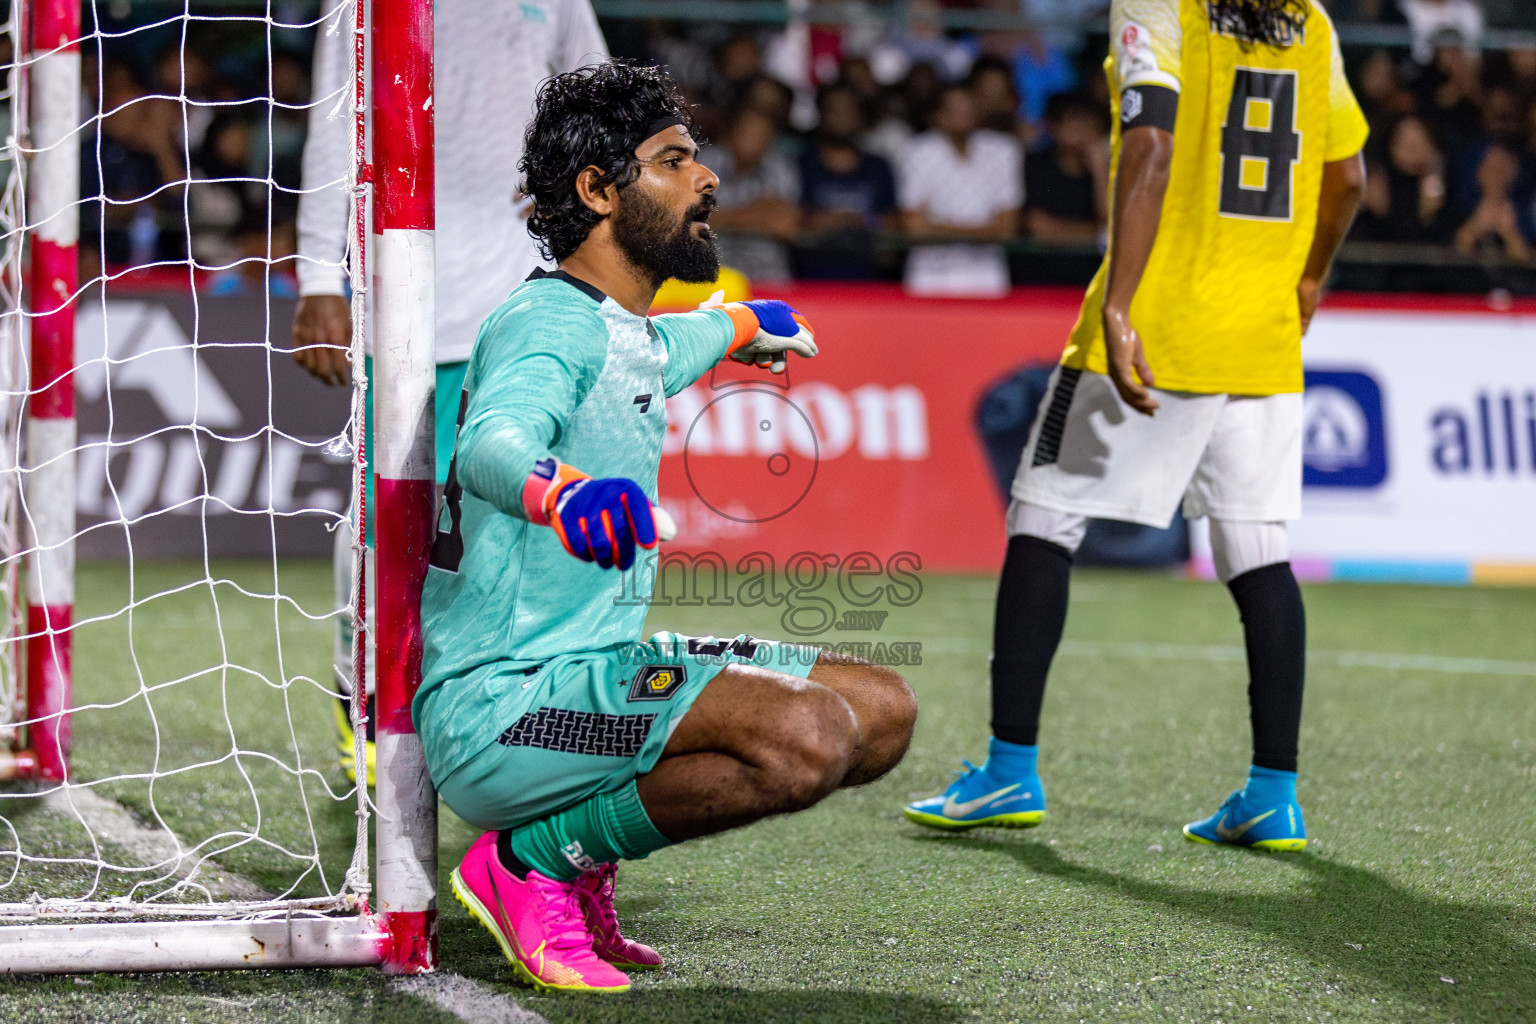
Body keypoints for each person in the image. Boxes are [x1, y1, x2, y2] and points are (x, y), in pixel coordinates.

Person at [420, 61, 917, 993]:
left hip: (588, 681)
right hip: (509, 709)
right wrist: (563, 494)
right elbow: (495, 439)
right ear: (599, 191)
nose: (709, 179)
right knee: (806, 736)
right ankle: (533, 860)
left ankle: (566, 847)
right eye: (675, 161)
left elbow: (674, 345)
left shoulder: (627, 328)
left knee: (883, 710)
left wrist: (741, 324)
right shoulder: (547, 324)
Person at [905, 0, 1368, 852]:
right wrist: (1308, 283)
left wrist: (1119, 305)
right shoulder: (1310, 21)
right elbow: (1349, 176)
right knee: (1256, 550)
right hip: (1261, 335)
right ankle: (1273, 791)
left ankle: (1009, 770)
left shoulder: (1162, 5)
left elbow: (1150, 141)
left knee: (1043, 518)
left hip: (1160, 323)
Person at [289, 0, 608, 784]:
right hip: (401, 284)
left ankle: (496, 707)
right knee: (385, 515)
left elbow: (595, 93)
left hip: (520, 291)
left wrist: (579, 171)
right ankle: (361, 692)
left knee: (511, 523)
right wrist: (316, 274)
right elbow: (335, 124)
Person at [899, 83, 1023, 296]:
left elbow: (1007, 229)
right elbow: (915, 227)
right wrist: (983, 231)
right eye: (953, 110)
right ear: (936, 116)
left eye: (969, 108)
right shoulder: (917, 151)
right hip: (930, 276)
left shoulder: (1004, 150)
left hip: (987, 276)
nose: (963, 115)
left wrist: (937, 227)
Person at [797, 82, 899, 279]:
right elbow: (794, 220)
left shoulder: (878, 167)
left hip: (869, 278)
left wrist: (839, 220)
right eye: (835, 110)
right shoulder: (802, 164)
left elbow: (894, 223)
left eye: (850, 111)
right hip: (810, 280)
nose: (842, 118)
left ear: (861, 117)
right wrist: (856, 220)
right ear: (821, 114)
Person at [698, 108, 801, 284]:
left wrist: (721, 216)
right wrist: (757, 215)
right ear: (730, 132)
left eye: (762, 134)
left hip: (768, 277)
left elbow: (787, 226)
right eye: (747, 132)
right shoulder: (705, 162)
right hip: (712, 275)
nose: (753, 140)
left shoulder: (781, 168)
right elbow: (689, 220)